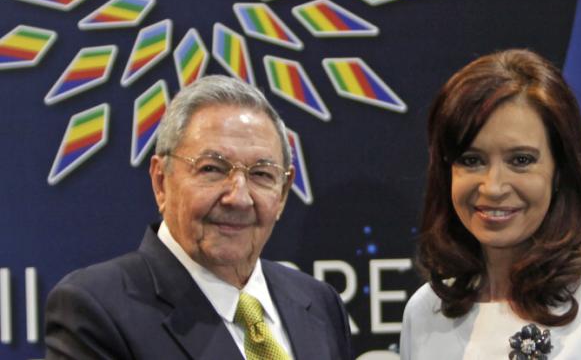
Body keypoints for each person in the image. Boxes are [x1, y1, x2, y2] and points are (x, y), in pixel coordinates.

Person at [45, 75, 353, 360]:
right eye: (212, 169)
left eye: (261, 174)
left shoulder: (319, 303)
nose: (239, 198)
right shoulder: (95, 309)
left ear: (283, 192)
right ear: (161, 181)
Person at [399, 50, 581, 359]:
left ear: (560, 170)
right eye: (471, 160)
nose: (493, 187)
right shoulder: (426, 313)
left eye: (520, 160)